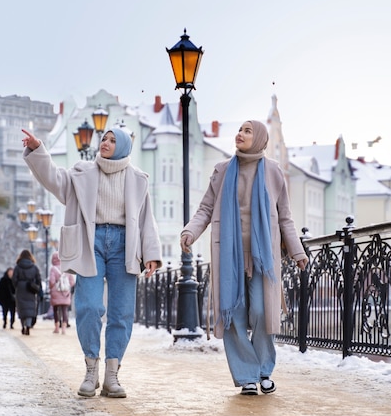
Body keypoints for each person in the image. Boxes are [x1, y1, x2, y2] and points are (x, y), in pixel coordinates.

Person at [21, 125, 162, 399]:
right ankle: (90, 369)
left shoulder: (137, 179)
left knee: (121, 312)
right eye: (104, 139)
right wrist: (38, 149)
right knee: (89, 306)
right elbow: (53, 178)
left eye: (112, 140)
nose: (105, 143)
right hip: (90, 241)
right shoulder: (81, 173)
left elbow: (146, 220)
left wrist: (152, 255)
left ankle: (112, 375)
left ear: (122, 147)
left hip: (125, 244)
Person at [180, 120, 308, 396]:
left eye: (248, 131)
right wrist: (191, 232)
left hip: (264, 256)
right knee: (234, 314)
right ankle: (247, 375)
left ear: (260, 138)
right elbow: (205, 208)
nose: (240, 134)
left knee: (263, 311)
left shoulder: (273, 172)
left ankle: (264, 369)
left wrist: (297, 250)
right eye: (240, 130)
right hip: (229, 255)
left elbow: (285, 216)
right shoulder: (223, 171)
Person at [12, 249, 42, 335]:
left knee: (21, 308)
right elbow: (38, 278)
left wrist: (17, 285)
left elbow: (14, 279)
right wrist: (35, 286)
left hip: (20, 289)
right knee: (30, 307)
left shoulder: (17, 267)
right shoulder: (34, 267)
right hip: (30, 288)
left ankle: (23, 326)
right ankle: (28, 325)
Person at [49, 251, 75, 335]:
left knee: (55, 310)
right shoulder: (67, 267)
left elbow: (51, 281)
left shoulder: (53, 269)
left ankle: (57, 327)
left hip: (56, 292)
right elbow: (72, 281)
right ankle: (64, 328)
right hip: (65, 292)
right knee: (65, 310)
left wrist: (52, 287)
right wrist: (67, 287)